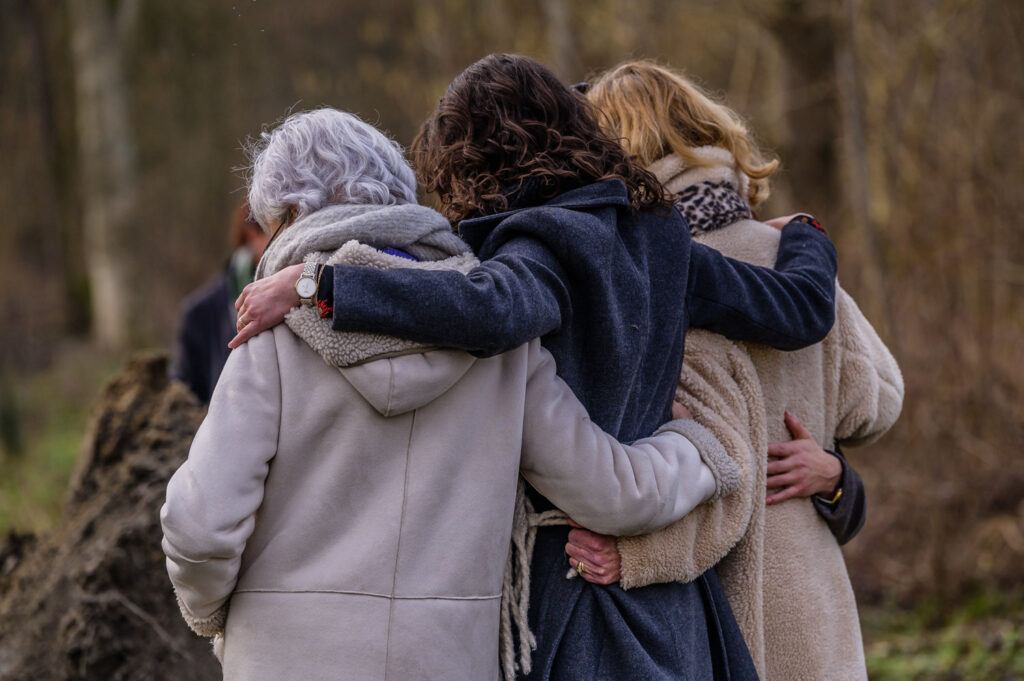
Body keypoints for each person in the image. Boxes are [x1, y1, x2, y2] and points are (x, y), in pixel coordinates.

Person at [229, 54, 840, 681]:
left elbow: (489, 307)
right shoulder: (659, 239)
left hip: (566, 591)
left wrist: (319, 285)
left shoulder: (540, 244)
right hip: (670, 600)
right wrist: (808, 237)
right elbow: (798, 310)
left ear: (478, 156)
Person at [161, 107, 743, 681]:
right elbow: (614, 493)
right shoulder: (502, 343)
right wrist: (699, 448)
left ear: (289, 214)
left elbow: (200, 525)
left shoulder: (272, 337)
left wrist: (217, 614)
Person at [564, 60, 904, 680]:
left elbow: (719, 459)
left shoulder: (644, 281)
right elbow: (875, 400)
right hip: (813, 589)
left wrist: (636, 555)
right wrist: (831, 471)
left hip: (722, 588)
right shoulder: (790, 254)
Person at [171, 202, 270, 403]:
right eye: (278, 229)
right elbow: (185, 400)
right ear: (252, 233)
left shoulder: (297, 291)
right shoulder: (199, 313)